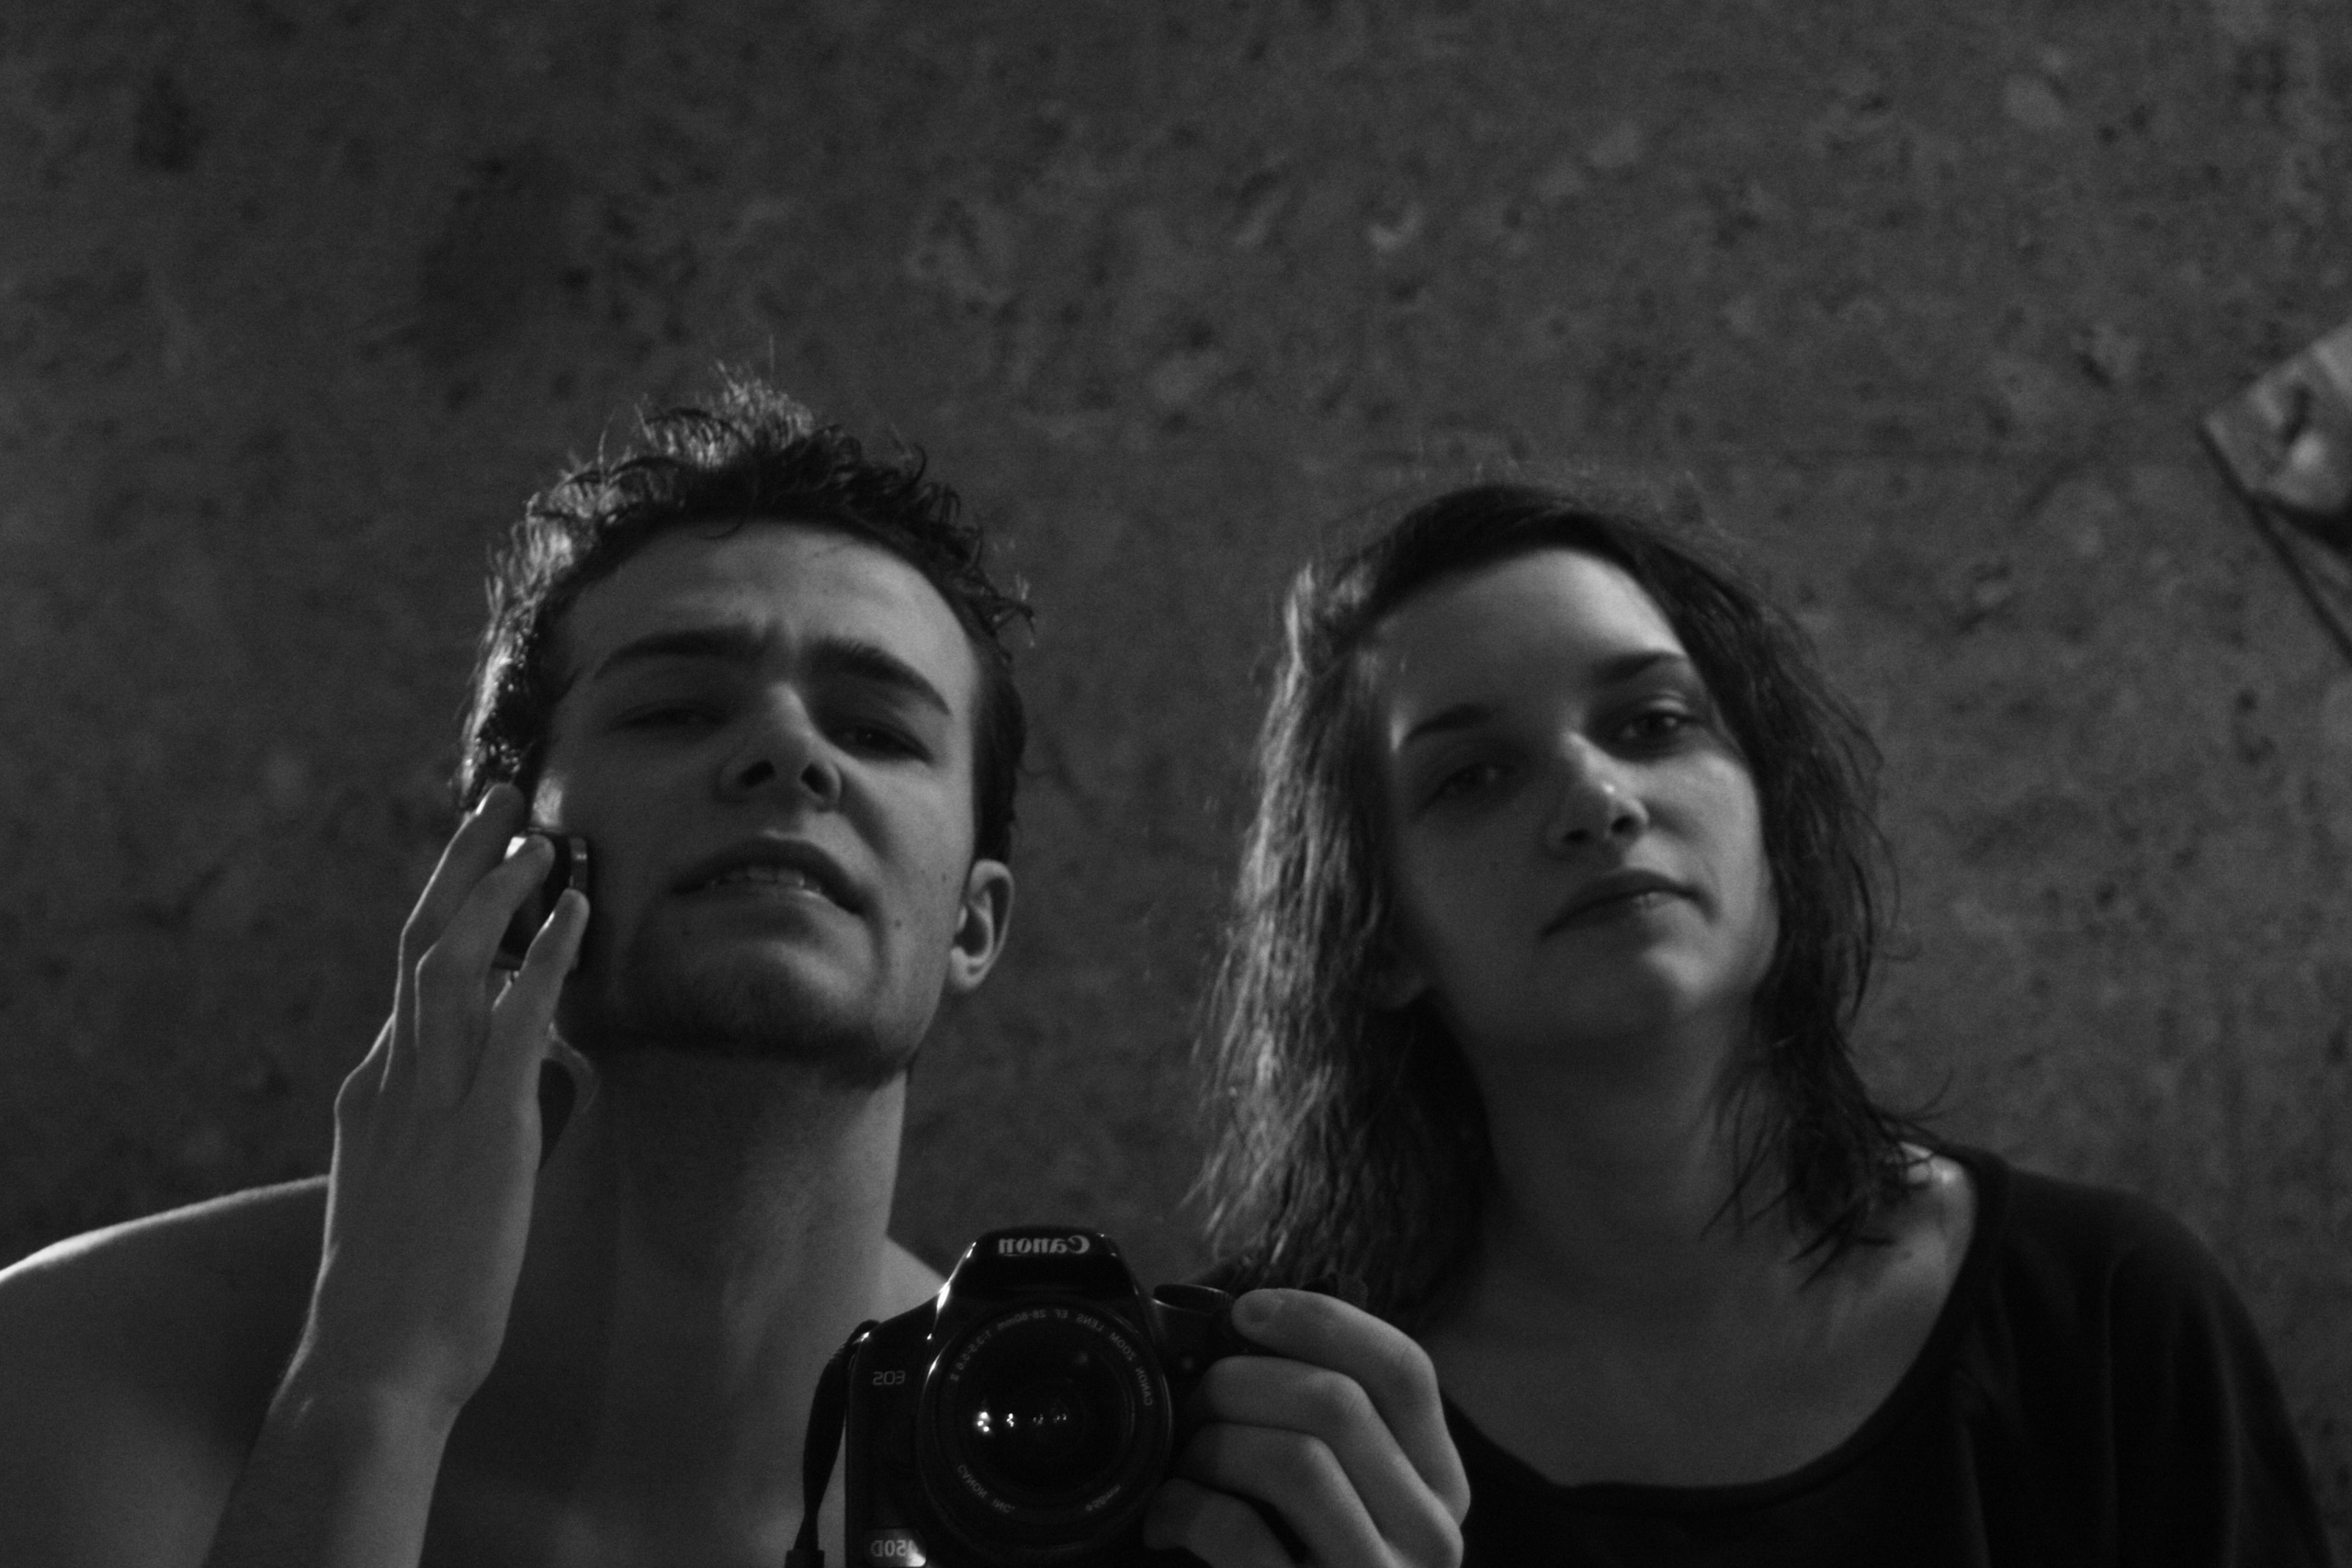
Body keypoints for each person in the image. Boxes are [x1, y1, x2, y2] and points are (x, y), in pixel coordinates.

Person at [0, 376, 1467, 1568]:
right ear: (500, 859)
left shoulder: (1077, 1477)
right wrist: (369, 1388)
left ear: (974, 923)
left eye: (878, 729)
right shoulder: (78, 1370)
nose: (786, 751)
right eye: (676, 709)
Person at [1196, 480, 2333, 1565]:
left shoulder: (2106, 1321)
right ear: (1378, 933)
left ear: (1774, 828)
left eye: (1652, 721)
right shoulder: (1281, 1419)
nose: (1597, 800)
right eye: (1475, 775)